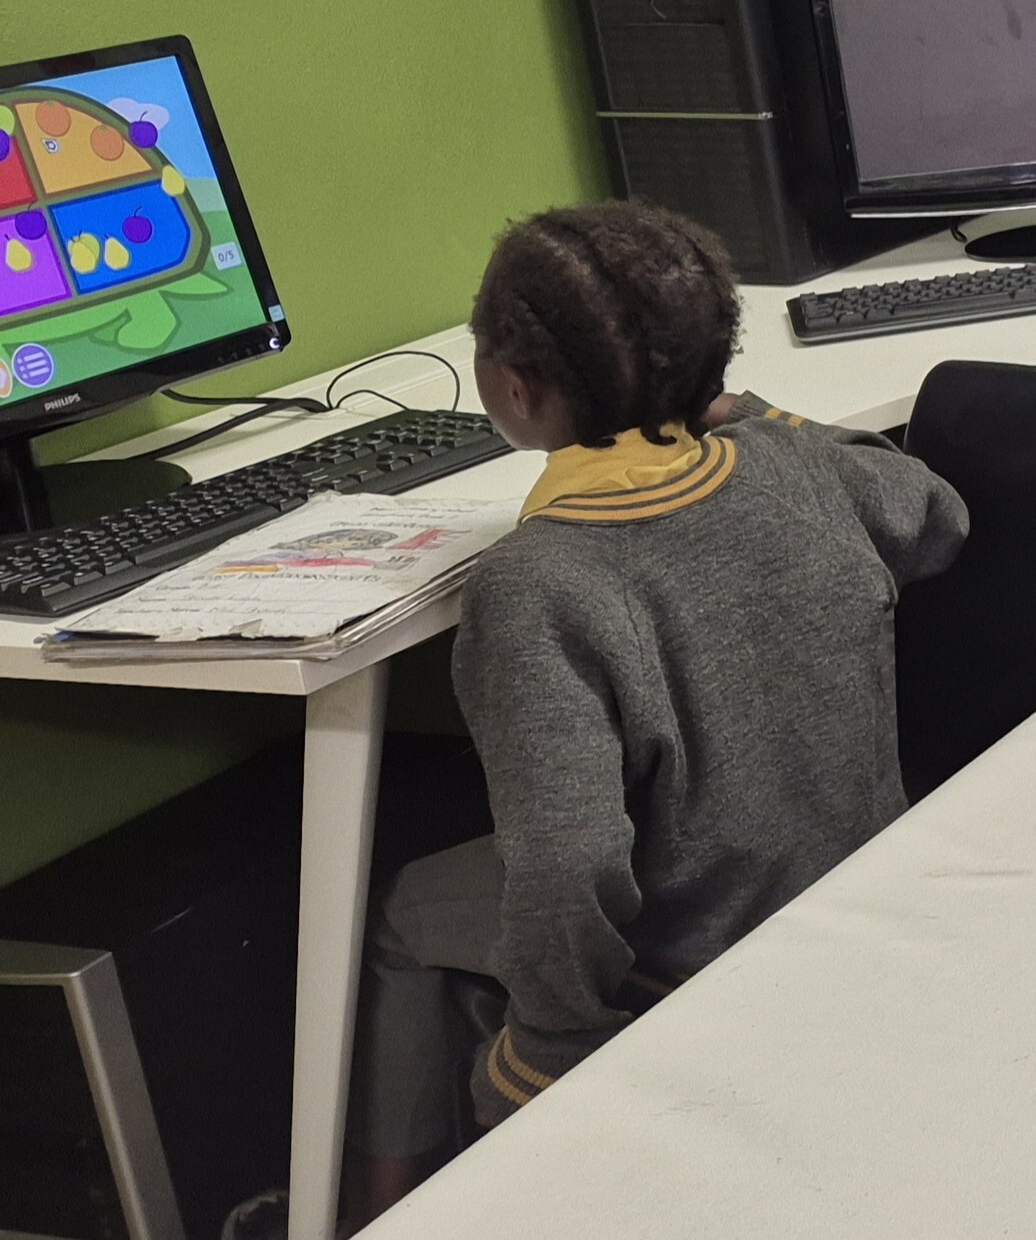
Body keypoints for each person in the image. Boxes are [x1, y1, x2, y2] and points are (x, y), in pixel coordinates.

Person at [348, 203, 967, 1217]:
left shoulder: (537, 583)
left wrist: (547, 1051)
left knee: (408, 908)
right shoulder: (792, 466)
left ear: (513, 389)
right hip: (854, 897)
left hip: (693, 957)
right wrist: (759, 417)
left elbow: (570, 860)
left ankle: (382, 1209)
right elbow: (935, 512)